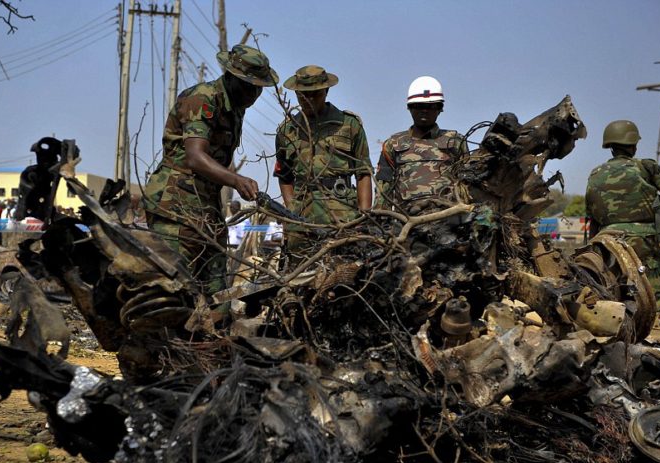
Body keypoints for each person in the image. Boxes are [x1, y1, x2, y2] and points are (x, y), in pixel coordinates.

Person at [144, 44, 277, 296]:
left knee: (216, 291)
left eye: (259, 87)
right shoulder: (203, 98)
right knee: (176, 291)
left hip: (205, 205)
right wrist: (236, 180)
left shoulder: (235, 108)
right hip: (175, 206)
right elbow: (195, 157)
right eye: (249, 85)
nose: (255, 94)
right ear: (230, 77)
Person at [274, 65, 373, 252]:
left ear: (326, 91)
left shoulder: (348, 125)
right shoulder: (287, 131)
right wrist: (291, 212)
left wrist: (364, 219)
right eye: (303, 95)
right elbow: (284, 176)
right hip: (301, 219)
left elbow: (363, 173)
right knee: (299, 275)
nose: (309, 100)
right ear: (296, 94)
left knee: (346, 272)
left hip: (343, 215)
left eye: (315, 94)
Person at [586, 120, 660, 309]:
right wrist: (655, 211)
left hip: (607, 240)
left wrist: (592, 248)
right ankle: (657, 325)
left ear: (610, 146)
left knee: (615, 287)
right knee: (653, 287)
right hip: (643, 239)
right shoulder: (647, 167)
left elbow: (593, 218)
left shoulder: (595, 173)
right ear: (633, 146)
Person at [375, 76, 466, 212]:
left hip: (449, 220)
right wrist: (380, 219)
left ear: (440, 108)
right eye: (419, 106)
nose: (425, 110)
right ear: (409, 108)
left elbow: (466, 184)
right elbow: (383, 188)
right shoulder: (393, 144)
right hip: (406, 222)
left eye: (431, 106)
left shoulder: (456, 141)